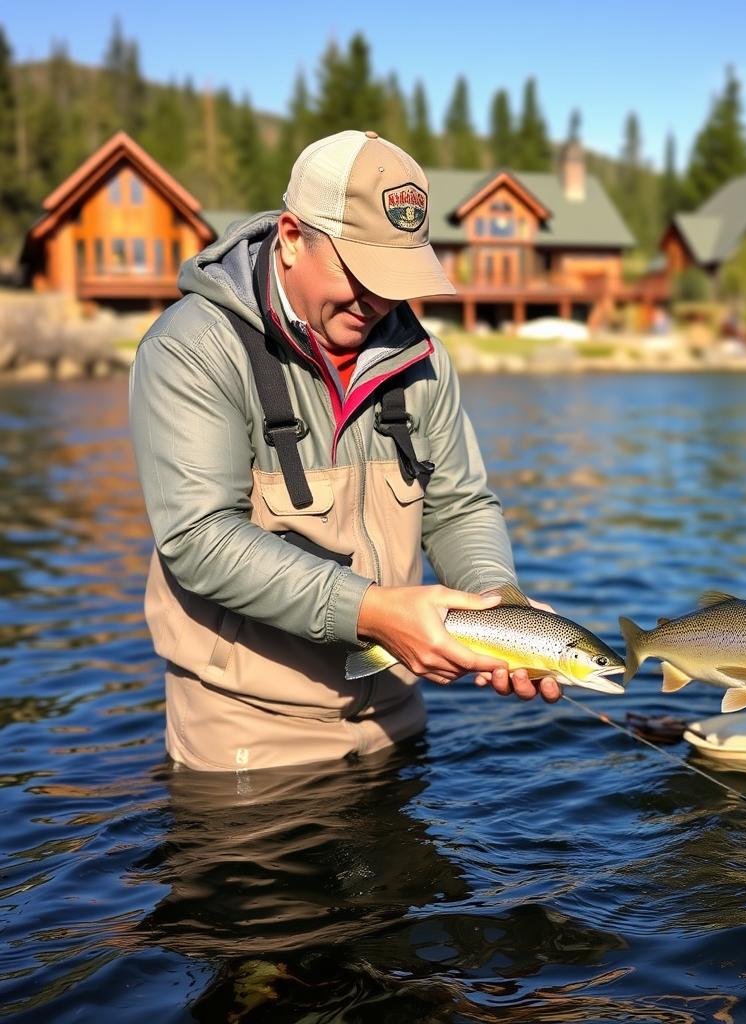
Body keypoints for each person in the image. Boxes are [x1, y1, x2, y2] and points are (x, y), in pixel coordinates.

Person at [129, 129, 559, 773]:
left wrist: (502, 611)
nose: (378, 300)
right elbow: (199, 538)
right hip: (249, 730)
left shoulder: (424, 360)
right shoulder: (191, 348)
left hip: (396, 717)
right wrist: (374, 611)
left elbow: (459, 505)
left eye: (395, 277)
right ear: (293, 237)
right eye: (360, 272)